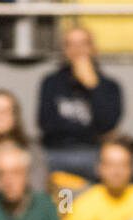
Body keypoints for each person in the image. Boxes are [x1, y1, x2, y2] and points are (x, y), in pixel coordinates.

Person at [36, 26, 123, 181]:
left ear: (93, 48)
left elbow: (107, 125)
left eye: (83, 44)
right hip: (57, 153)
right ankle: (65, 205)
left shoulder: (110, 86)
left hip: (93, 152)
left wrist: (93, 88)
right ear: (64, 50)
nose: (77, 50)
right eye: (71, 44)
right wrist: (81, 130)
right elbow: (46, 125)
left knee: (109, 167)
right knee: (64, 198)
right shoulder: (51, 83)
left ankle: (93, 205)